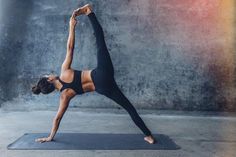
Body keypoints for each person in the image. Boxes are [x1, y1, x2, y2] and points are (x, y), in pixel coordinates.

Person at [33, 4, 155, 144]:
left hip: (103, 88)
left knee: (129, 108)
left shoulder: (64, 96)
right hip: (102, 72)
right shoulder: (64, 71)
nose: (51, 73)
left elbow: (58, 118)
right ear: (49, 79)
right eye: (48, 74)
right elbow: (70, 48)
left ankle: (149, 136)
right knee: (99, 40)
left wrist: (50, 137)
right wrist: (72, 26)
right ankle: (88, 11)